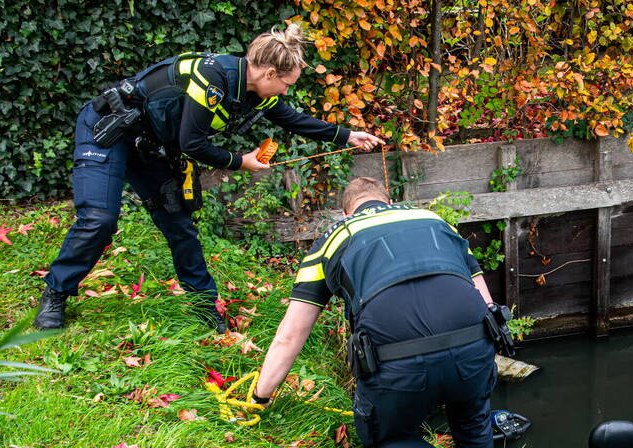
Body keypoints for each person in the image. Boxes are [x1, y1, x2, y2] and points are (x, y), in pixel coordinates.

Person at [33, 23, 383, 332]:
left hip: (149, 146)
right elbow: (192, 143)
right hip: (108, 130)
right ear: (269, 73)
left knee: (179, 225)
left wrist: (347, 136)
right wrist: (240, 162)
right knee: (99, 219)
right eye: (286, 84)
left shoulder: (253, 92)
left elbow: (292, 119)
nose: (286, 92)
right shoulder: (213, 77)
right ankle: (56, 292)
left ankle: (203, 304)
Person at [249, 177, 501, 448]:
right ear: (389, 202)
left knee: (383, 438)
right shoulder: (436, 222)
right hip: (472, 342)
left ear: (346, 212)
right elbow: (486, 303)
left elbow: (291, 334)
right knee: (473, 424)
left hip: (397, 358)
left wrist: (260, 397)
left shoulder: (334, 237)